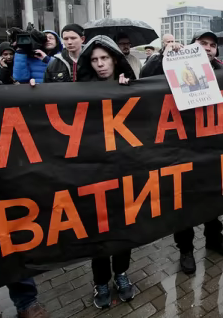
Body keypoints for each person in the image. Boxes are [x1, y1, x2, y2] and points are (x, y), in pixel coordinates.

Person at [75, 35, 135, 308]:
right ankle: (100, 281)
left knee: (123, 227)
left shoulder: (130, 86)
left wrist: (126, 92)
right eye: (94, 59)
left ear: (115, 59)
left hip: (124, 171)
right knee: (98, 230)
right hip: (93, 173)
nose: (100, 64)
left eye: (104, 58)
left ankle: (121, 273)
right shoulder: (77, 92)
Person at [172, 31, 223, 274]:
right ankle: (185, 249)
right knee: (184, 201)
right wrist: (164, 56)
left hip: (213, 147)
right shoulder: (174, 67)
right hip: (184, 148)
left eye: (212, 45)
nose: (208, 48)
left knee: (214, 197)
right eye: (202, 44)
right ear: (191, 47)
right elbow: (149, 80)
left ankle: (214, 238)